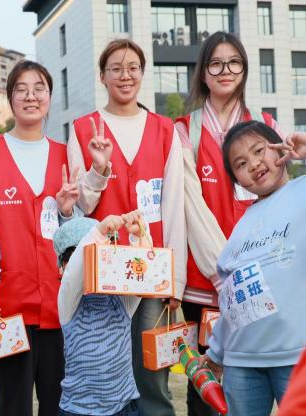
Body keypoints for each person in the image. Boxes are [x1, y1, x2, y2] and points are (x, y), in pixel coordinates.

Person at [66, 39, 185, 416]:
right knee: (106, 370)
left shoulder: (164, 129)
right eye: (115, 68)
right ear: (102, 76)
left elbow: (174, 206)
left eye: (133, 67)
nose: (125, 75)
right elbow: (82, 206)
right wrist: (99, 169)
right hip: (103, 276)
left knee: (152, 377)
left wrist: (175, 279)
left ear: (142, 74)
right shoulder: (83, 129)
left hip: (152, 272)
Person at [174, 31, 283, 416]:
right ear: (203, 72)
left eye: (234, 62)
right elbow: (189, 208)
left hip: (259, 278)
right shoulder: (185, 129)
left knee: (257, 375)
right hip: (206, 281)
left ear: (245, 69)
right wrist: (223, 269)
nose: (225, 71)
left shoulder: (265, 124)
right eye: (216, 63)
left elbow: (277, 201)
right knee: (204, 384)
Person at [0, 60, 75, 416]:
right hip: (8, 303)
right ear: (10, 98)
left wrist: (66, 213)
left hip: (60, 303)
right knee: (13, 404)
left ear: (50, 97)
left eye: (39, 89)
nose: (31, 97)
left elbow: (77, 228)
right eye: (21, 89)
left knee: (58, 405)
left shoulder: (66, 154)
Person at [201, 122, 306, 416]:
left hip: (295, 354)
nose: (254, 164)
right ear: (237, 180)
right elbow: (232, 300)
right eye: (241, 164)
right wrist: (216, 353)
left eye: (259, 150)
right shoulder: (241, 227)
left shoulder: (302, 191)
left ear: (281, 148)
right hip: (241, 361)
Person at [55, 212, 143, 416]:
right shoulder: (68, 303)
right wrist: (98, 233)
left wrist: (138, 238)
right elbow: (74, 274)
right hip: (77, 410)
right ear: (61, 268)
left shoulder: (121, 299)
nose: (92, 261)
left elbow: (141, 276)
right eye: (73, 255)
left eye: (101, 253)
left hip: (124, 407)